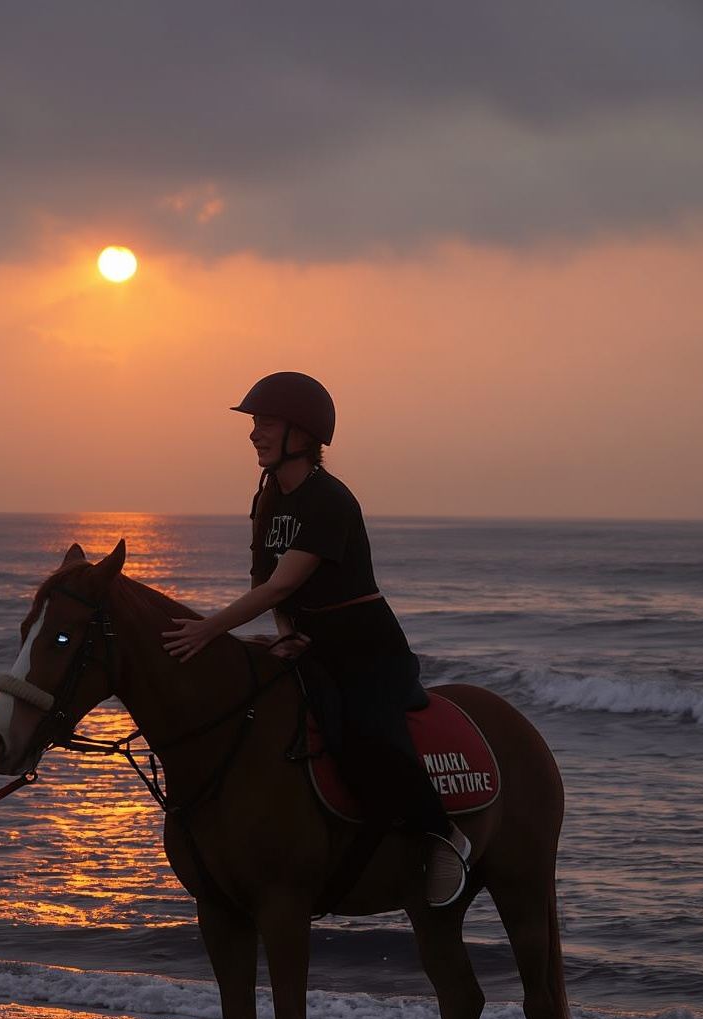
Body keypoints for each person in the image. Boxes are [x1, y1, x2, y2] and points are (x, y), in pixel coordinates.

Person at [162, 371, 471, 906]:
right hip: (310, 643)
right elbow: (267, 588)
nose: (254, 434)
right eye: (255, 423)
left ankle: (442, 833)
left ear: (301, 434)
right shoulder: (267, 501)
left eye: (267, 423)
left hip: (367, 649)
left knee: (365, 733)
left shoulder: (328, 500)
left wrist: (208, 628)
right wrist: (286, 635)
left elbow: (284, 582)